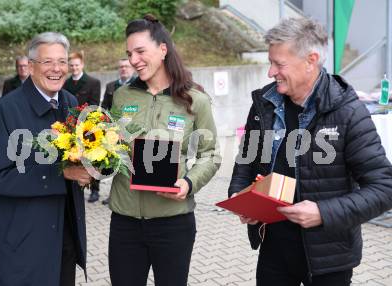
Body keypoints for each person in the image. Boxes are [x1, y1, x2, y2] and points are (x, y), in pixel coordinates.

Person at [228, 17, 392, 286]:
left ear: (311, 60)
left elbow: (384, 187)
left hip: (328, 258)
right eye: (270, 62)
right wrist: (240, 196)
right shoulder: (264, 105)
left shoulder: (348, 112)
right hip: (273, 250)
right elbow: (246, 160)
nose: (270, 72)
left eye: (279, 64)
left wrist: (323, 212)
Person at [107, 15, 220, 286]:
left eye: (140, 51)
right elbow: (110, 148)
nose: (133, 60)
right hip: (125, 223)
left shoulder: (195, 100)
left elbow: (211, 154)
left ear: (162, 49)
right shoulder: (122, 96)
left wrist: (189, 183)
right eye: (129, 53)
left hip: (173, 224)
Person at [0, 32, 91, 285]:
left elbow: (74, 156)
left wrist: (91, 165)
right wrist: (60, 172)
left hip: (65, 237)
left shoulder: (70, 101)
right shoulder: (4, 111)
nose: (57, 69)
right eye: (47, 62)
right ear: (30, 66)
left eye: (62, 61)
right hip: (25, 246)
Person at [63, 51, 102, 203]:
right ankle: (76, 185)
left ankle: (95, 189)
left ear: (82, 65)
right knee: (73, 156)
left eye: (76, 65)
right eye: (71, 65)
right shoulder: (65, 83)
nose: (74, 68)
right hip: (71, 127)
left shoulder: (93, 82)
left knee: (93, 157)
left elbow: (93, 105)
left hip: (88, 126)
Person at [100, 58, 136, 205]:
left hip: (133, 133)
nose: (124, 69)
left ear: (132, 68)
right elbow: (104, 110)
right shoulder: (111, 86)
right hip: (115, 134)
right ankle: (114, 196)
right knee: (117, 166)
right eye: (121, 67)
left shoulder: (138, 85)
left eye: (126, 66)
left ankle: (133, 197)